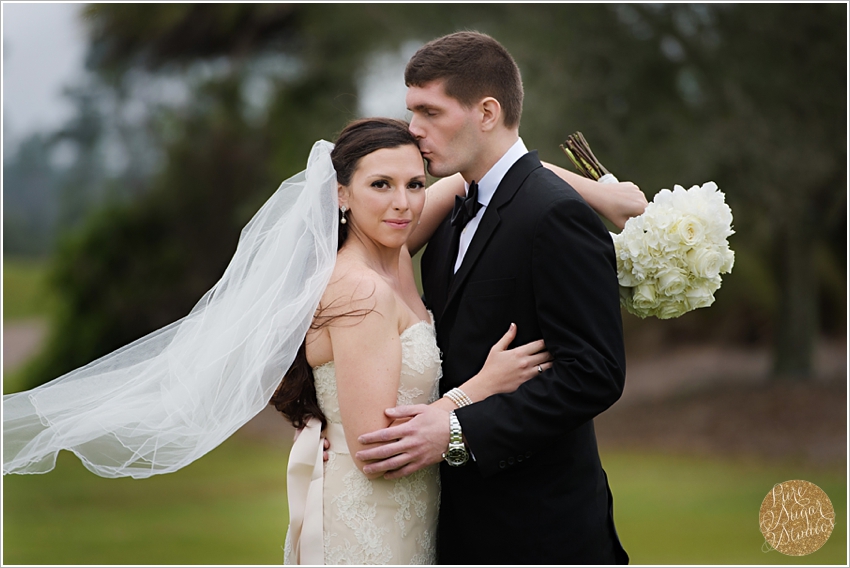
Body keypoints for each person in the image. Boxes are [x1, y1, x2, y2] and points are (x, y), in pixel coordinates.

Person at [355, 31, 633, 564]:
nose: (414, 130)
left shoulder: (554, 215)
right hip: (455, 526)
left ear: (486, 112)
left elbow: (594, 372)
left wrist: (457, 431)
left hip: (542, 533)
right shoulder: (446, 212)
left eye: (429, 112)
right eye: (411, 111)